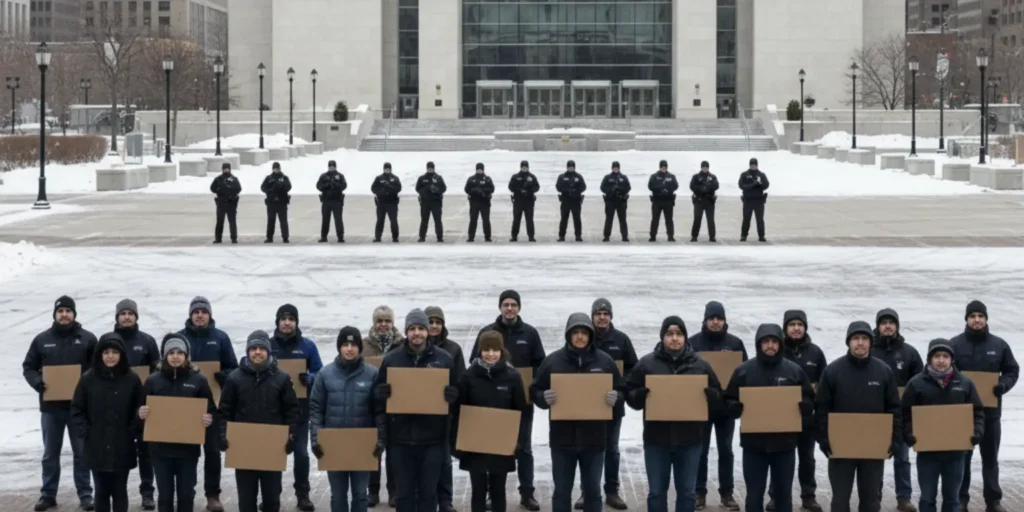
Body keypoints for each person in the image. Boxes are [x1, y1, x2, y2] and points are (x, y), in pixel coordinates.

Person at [625, 316, 723, 512]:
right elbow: (629, 395)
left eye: (679, 334)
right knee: (656, 493)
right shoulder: (647, 364)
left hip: (690, 441)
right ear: (663, 337)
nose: (675, 338)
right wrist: (639, 395)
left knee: (687, 493)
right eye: (670, 334)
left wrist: (713, 397)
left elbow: (719, 396)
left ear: (685, 337)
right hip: (656, 440)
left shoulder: (700, 365)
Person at [532, 313, 624, 512]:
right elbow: (535, 390)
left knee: (593, 492)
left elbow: (622, 390)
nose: (580, 337)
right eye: (576, 333)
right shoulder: (553, 362)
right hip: (562, 441)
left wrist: (616, 398)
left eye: (584, 333)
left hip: (595, 440)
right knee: (562, 492)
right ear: (568, 335)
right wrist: (542, 398)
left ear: (590, 335)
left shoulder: (605, 361)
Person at [372, 309, 459, 512]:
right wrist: (381, 392)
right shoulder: (392, 359)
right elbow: (377, 398)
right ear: (406, 332)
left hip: (433, 441)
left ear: (428, 331)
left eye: (421, 328)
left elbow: (458, 395)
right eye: (412, 329)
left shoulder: (444, 359)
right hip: (400, 440)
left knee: (429, 495)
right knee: (404, 496)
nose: (417, 333)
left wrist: (453, 395)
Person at [722, 324, 815, 512]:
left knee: (783, 495)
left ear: (780, 344)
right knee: (754, 495)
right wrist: (733, 407)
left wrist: (805, 407)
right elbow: (728, 398)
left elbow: (809, 397)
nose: (770, 346)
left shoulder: (793, 371)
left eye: (774, 342)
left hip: (785, 445)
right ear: (759, 344)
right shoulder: (744, 371)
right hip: (753, 446)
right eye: (766, 342)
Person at [470, 290, 545, 511]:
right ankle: (490, 495)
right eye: (506, 304)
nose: (509, 308)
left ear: (519, 307)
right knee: (492, 449)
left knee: (524, 448)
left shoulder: (529, 333)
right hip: (492, 405)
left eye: (513, 304)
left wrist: (532, 386)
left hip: (522, 402)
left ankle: (527, 492)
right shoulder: (488, 332)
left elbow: (541, 363)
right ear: (500, 307)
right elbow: (474, 360)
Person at [816, 321, 901, 512]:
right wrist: (823, 438)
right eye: (855, 338)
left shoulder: (884, 371)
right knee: (839, 500)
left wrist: (895, 438)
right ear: (848, 342)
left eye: (864, 339)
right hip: (840, 448)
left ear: (871, 342)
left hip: (873, 448)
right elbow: (821, 408)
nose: (860, 343)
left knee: (871, 500)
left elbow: (894, 408)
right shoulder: (833, 371)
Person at [23, 295, 97, 512]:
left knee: (82, 452)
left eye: (68, 311)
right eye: (60, 311)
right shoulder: (41, 340)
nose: (64, 314)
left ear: (74, 314)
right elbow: (28, 367)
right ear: (55, 314)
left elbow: (96, 370)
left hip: (79, 409)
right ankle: (48, 494)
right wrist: (38, 383)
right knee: (50, 454)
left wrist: (87, 388)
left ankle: (85, 494)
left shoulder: (88, 339)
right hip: (51, 409)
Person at [219, 330, 301, 512]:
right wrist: (223, 435)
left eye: (262, 348)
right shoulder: (234, 378)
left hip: (272, 447)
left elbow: (292, 410)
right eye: (253, 348)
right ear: (248, 351)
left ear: (268, 351)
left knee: (272, 499)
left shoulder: (282, 377)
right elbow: (225, 411)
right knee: (246, 500)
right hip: (244, 447)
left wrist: (291, 435)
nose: (257, 352)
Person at [950, 300, 1019, 512]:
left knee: (990, 459)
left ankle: (993, 501)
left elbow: (1012, 370)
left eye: (980, 316)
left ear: (986, 319)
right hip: (964, 414)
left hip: (991, 414)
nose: (977, 320)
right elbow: (946, 373)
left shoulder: (999, 345)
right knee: (963, 459)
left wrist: (1003, 385)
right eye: (972, 316)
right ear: (967, 319)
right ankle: (961, 500)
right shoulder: (954, 345)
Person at [902, 339, 985, 512]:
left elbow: (978, 412)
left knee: (952, 498)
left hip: (955, 454)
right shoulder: (916, 384)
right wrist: (909, 434)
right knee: (927, 497)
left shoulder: (965, 383)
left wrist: (977, 432)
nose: (941, 360)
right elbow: (904, 414)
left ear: (951, 359)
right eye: (937, 356)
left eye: (945, 356)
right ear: (929, 359)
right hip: (927, 454)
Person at [140, 334, 216, 512]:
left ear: (186, 356)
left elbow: (211, 410)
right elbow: (140, 409)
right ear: (165, 356)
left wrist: (208, 418)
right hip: (160, 449)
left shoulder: (198, 380)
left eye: (180, 352)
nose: (175, 356)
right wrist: (140, 413)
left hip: (188, 449)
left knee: (186, 495)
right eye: (171, 352)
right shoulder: (153, 380)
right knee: (165, 496)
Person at [453, 331, 527, 512]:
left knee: (498, 490)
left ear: (502, 351)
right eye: (486, 349)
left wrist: (519, 441)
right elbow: (459, 411)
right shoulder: (468, 376)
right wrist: (458, 443)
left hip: (501, 445)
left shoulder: (512, 377)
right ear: (480, 351)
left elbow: (521, 411)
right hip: (475, 445)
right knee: (478, 490)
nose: (490, 354)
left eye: (495, 349)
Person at [70, 333, 144, 512]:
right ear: (100, 355)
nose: (110, 356)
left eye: (115, 352)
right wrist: (86, 432)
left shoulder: (132, 379)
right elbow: (77, 409)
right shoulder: (88, 378)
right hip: (96, 445)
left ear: (122, 355)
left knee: (119, 490)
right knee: (101, 491)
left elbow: (140, 409)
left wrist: (132, 431)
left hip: (122, 445)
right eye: (106, 352)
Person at [177, 296, 237, 512]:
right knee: (188, 453)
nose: (200, 315)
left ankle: (213, 495)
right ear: (190, 315)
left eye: (203, 311)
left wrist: (225, 376)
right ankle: (187, 493)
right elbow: (166, 367)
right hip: (186, 407)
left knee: (212, 453)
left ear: (209, 315)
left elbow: (234, 368)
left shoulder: (221, 338)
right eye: (196, 312)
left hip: (214, 406)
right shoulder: (180, 338)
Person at [309, 326, 379, 512]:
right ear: (339, 347)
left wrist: (381, 440)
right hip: (334, 444)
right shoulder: (325, 374)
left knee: (360, 493)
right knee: (338, 495)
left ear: (359, 348)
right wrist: (316, 439)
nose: (349, 349)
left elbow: (379, 410)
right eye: (345, 344)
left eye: (354, 345)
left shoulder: (372, 374)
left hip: (362, 444)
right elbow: (316, 409)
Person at [578, 298, 638, 510]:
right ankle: (587, 491)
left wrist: (621, 386)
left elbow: (634, 369)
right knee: (587, 448)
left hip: (613, 404)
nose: (602, 317)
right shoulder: (582, 337)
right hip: (586, 406)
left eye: (605, 313)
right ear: (592, 316)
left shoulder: (621, 340)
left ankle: (611, 491)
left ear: (611, 316)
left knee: (611, 449)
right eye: (598, 314)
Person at [688, 301, 747, 511]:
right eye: (712, 318)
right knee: (700, 451)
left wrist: (737, 401)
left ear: (724, 321)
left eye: (719, 318)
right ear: (705, 320)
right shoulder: (693, 343)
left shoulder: (735, 343)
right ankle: (699, 492)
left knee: (726, 451)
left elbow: (745, 373)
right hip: (700, 406)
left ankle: (727, 493)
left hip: (725, 408)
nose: (715, 322)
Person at [767, 310, 827, 512]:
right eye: (792, 324)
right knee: (779, 458)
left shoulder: (815, 353)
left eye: (800, 324)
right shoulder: (776, 350)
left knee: (807, 459)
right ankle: (775, 496)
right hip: (780, 417)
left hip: (806, 417)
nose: (796, 328)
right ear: (785, 328)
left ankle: (808, 495)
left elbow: (824, 385)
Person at [106, 299, 160, 511]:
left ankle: (147, 492)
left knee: (145, 451)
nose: (126, 317)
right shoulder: (108, 341)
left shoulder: (146, 341)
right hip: (116, 406)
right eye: (123, 313)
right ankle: (115, 492)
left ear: (136, 316)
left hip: (143, 405)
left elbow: (157, 370)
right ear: (117, 317)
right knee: (117, 449)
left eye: (130, 313)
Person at [269, 304, 324, 512]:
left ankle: (303, 495)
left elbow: (321, 372)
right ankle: (271, 496)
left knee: (301, 454)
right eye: (283, 318)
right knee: (274, 455)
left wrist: (311, 378)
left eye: (291, 319)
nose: (287, 322)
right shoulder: (267, 344)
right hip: (273, 410)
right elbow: (251, 363)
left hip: (300, 410)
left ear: (296, 322)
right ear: (277, 322)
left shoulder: (307, 346)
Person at [871, 308, 924, 512]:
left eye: (891, 322)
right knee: (874, 459)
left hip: (900, 416)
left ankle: (904, 497)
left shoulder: (909, 352)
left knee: (902, 458)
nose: (887, 326)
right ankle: (874, 495)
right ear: (878, 326)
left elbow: (921, 382)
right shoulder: (870, 350)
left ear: (897, 326)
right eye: (883, 322)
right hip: (874, 416)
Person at [424, 305, 466, 512]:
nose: (433, 326)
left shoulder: (453, 349)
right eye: (430, 322)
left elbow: (461, 381)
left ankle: (446, 500)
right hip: (420, 415)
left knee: (444, 459)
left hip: (445, 414)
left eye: (437, 322)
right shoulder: (411, 349)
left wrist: (454, 394)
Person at [364, 305, 402, 508]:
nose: (383, 325)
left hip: (397, 405)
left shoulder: (401, 344)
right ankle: (373, 490)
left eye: (387, 321)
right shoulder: (364, 346)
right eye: (380, 321)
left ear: (393, 323)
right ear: (374, 323)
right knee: (374, 448)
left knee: (394, 451)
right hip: (371, 405)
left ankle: (394, 491)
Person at [316, 160, 348, 243]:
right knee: (325, 219)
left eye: (333, 166)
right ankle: (324, 236)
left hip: (337, 201)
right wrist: (327, 185)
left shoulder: (340, 176)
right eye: (330, 166)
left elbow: (344, 186)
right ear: (328, 167)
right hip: (326, 201)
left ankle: (340, 237)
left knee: (338, 219)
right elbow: (318, 186)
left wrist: (336, 183)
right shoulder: (324, 176)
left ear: (335, 167)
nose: (332, 167)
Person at [738, 157, 769, 242]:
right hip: (748, 201)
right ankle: (743, 235)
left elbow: (766, 185)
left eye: (754, 165)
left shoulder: (761, 175)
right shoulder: (744, 174)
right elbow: (741, 185)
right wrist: (752, 184)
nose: (753, 167)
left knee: (760, 219)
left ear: (757, 165)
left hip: (759, 201)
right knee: (746, 219)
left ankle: (761, 236)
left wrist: (760, 184)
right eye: (752, 165)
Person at [508, 160, 539, 242]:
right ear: (521, 167)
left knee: (529, 220)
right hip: (518, 201)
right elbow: (510, 187)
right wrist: (519, 190)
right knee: (516, 219)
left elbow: (537, 187)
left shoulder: (532, 177)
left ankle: (531, 236)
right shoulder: (515, 177)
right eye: (523, 167)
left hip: (528, 201)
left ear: (528, 167)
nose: (524, 168)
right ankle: (514, 236)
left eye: (526, 167)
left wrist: (530, 190)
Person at [556, 159, 587, 242]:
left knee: (577, 219)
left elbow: (583, 187)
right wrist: (567, 189)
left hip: (575, 201)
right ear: (567, 167)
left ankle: (578, 235)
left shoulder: (578, 176)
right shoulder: (562, 176)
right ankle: (561, 236)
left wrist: (575, 190)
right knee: (564, 219)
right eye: (569, 167)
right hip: (565, 201)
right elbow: (558, 187)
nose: (571, 168)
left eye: (572, 167)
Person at [210, 162, 241, 244]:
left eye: (227, 168)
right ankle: (218, 238)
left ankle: (234, 238)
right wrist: (219, 191)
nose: (226, 169)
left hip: (231, 203)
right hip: (221, 203)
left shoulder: (234, 179)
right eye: (224, 168)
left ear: (230, 169)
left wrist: (232, 194)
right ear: (222, 169)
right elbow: (212, 188)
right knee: (220, 221)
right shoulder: (218, 179)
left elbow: (238, 188)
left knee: (232, 222)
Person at [648, 159, 679, 242]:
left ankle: (670, 236)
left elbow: (676, 186)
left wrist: (667, 189)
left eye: (665, 167)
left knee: (669, 220)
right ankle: (653, 236)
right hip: (657, 201)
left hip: (668, 201)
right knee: (655, 219)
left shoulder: (671, 176)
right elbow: (650, 186)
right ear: (660, 167)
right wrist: (660, 188)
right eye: (662, 167)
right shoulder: (654, 176)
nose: (664, 168)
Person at [261, 162, 292, 243]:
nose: (276, 169)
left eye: (277, 168)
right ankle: (269, 237)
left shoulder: (284, 177)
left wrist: (281, 186)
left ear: (280, 168)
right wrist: (270, 190)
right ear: (273, 169)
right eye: (275, 168)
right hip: (271, 203)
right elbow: (263, 187)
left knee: (283, 221)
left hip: (282, 202)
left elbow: (289, 186)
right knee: (271, 221)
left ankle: (285, 237)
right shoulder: (269, 178)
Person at [416, 161, 447, 243]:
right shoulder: (422, 178)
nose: (430, 169)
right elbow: (417, 188)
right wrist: (425, 191)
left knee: (437, 220)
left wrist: (436, 190)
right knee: (424, 220)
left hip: (436, 202)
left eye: (431, 168)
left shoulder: (438, 178)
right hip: (425, 202)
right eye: (429, 168)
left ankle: (439, 237)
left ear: (433, 168)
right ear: (427, 168)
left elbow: (443, 188)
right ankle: (422, 236)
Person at [600, 161, 631, 242]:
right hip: (610, 201)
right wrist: (611, 190)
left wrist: (620, 189)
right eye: (614, 167)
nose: (615, 169)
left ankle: (624, 236)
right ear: (612, 168)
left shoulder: (623, 177)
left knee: (623, 220)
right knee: (609, 219)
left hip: (621, 201)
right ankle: (606, 236)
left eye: (617, 167)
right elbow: (602, 187)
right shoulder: (607, 177)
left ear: (619, 168)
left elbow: (628, 187)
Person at [371, 162, 402, 243]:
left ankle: (395, 237)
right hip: (381, 203)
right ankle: (378, 237)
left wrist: (389, 187)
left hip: (392, 203)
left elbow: (398, 188)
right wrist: (381, 191)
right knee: (380, 220)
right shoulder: (379, 178)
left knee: (394, 221)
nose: (387, 170)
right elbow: (373, 188)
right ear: (383, 169)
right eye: (386, 168)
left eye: (388, 168)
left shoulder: (395, 178)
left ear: (391, 169)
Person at [464, 162, 495, 242]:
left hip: (484, 202)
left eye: (481, 169)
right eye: (478, 169)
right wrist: (474, 190)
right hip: (474, 202)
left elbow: (492, 189)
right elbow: (466, 189)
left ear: (483, 170)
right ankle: (471, 237)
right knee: (473, 220)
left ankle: (487, 237)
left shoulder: (487, 179)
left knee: (486, 220)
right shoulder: (471, 179)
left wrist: (484, 191)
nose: (479, 171)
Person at [689, 161, 719, 242]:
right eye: (703, 167)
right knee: (697, 219)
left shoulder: (712, 177)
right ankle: (694, 236)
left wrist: (708, 187)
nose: (705, 169)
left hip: (709, 201)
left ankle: (712, 236)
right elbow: (692, 186)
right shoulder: (696, 177)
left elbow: (716, 186)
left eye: (706, 167)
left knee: (710, 220)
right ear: (701, 167)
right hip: (699, 200)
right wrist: (701, 188)